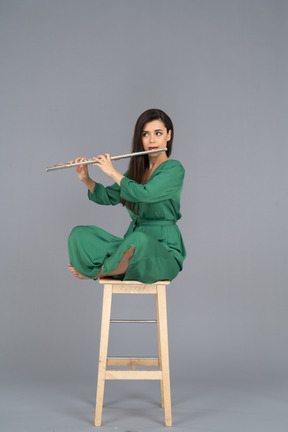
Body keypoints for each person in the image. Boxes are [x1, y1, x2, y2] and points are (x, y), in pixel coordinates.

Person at [68, 108, 186, 284]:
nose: (152, 140)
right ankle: (119, 268)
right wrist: (86, 178)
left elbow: (145, 194)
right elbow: (107, 197)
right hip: (132, 243)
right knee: (79, 234)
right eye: (145, 134)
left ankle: (98, 272)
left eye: (158, 133)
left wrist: (112, 172)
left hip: (164, 253)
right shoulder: (136, 172)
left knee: (137, 241)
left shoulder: (174, 169)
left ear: (169, 135)